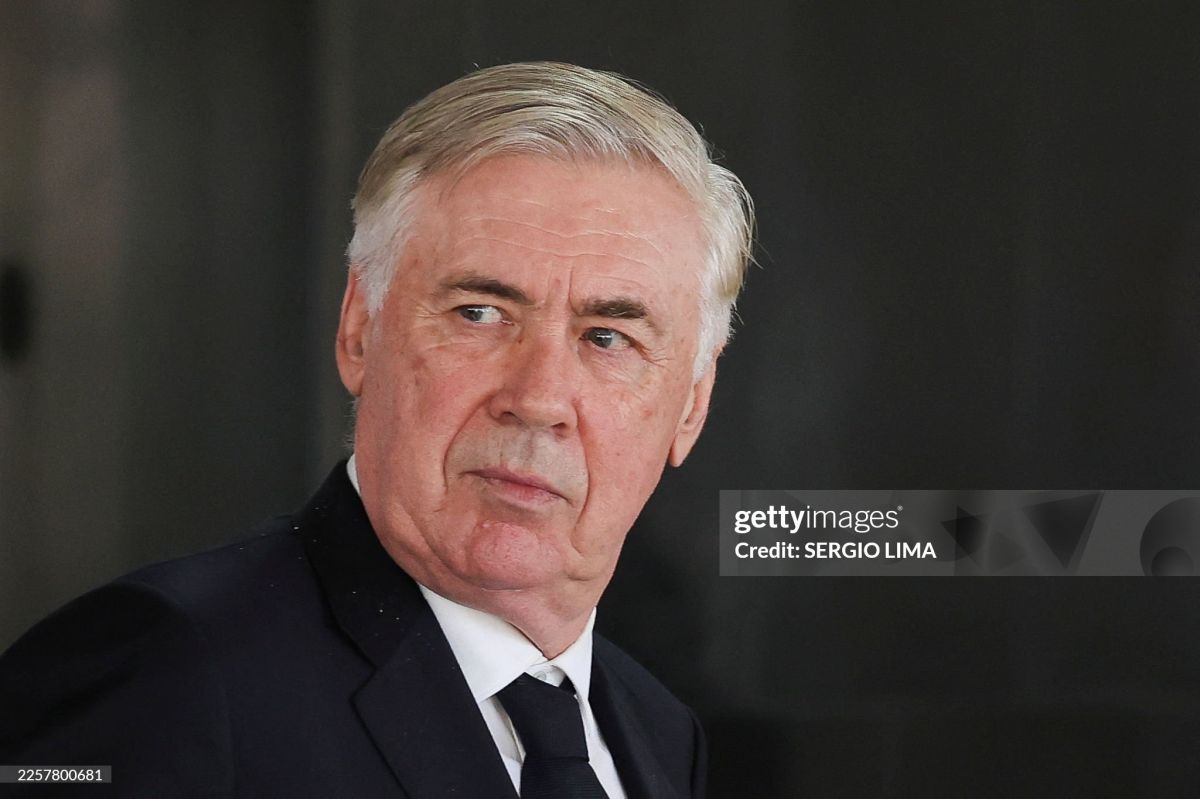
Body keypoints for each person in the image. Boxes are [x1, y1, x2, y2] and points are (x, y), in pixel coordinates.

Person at [0, 62, 753, 798]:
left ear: (692, 403)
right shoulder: (170, 671)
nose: (538, 398)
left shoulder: (658, 732)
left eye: (608, 337)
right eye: (479, 314)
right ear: (360, 328)